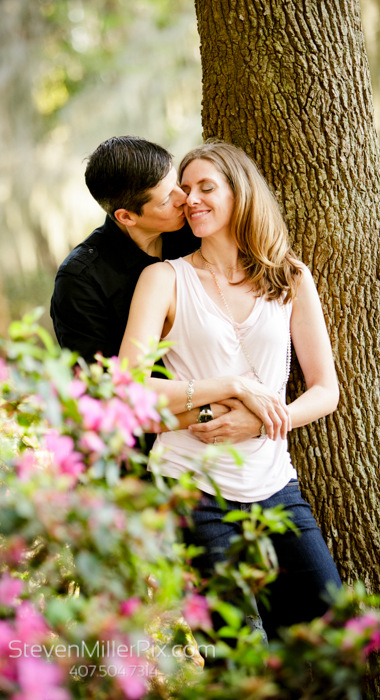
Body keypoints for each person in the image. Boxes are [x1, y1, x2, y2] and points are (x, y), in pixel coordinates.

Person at [119, 140, 342, 638]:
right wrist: (231, 386)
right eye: (186, 189)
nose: (191, 199)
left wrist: (262, 416)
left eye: (206, 187)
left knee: (329, 636)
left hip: (276, 487)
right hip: (193, 491)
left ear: (240, 193)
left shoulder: (290, 277)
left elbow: (326, 390)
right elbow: (126, 390)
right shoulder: (164, 279)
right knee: (232, 655)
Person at [50, 136, 265, 442]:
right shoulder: (81, 281)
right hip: (143, 459)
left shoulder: (195, 233)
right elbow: (107, 398)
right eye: (166, 200)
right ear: (126, 217)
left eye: (176, 182)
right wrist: (217, 413)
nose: (185, 199)